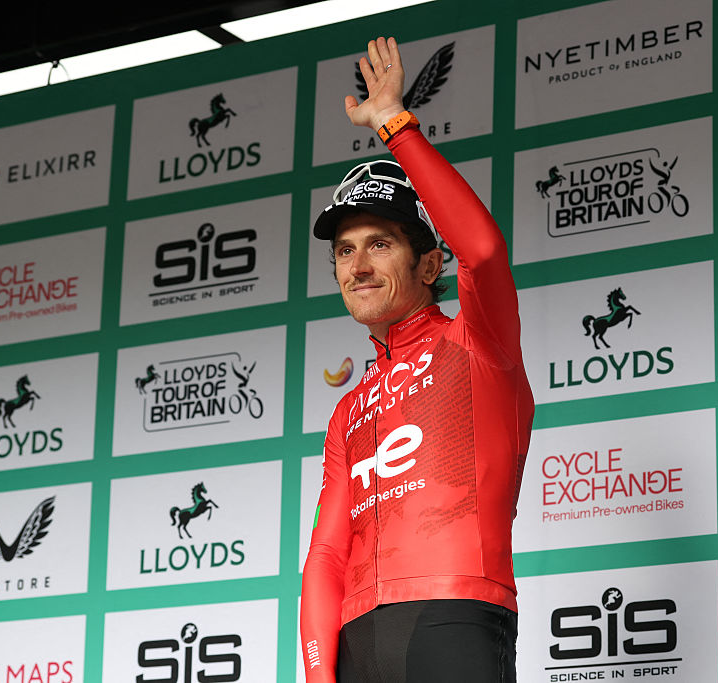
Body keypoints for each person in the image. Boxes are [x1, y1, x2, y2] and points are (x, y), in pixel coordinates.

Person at [300, 36, 535, 683]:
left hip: (452, 616)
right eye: (344, 251)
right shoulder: (349, 408)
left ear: (431, 262)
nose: (358, 264)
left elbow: (483, 251)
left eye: (380, 242)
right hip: (355, 641)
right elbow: (324, 556)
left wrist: (395, 126)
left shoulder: (477, 343)